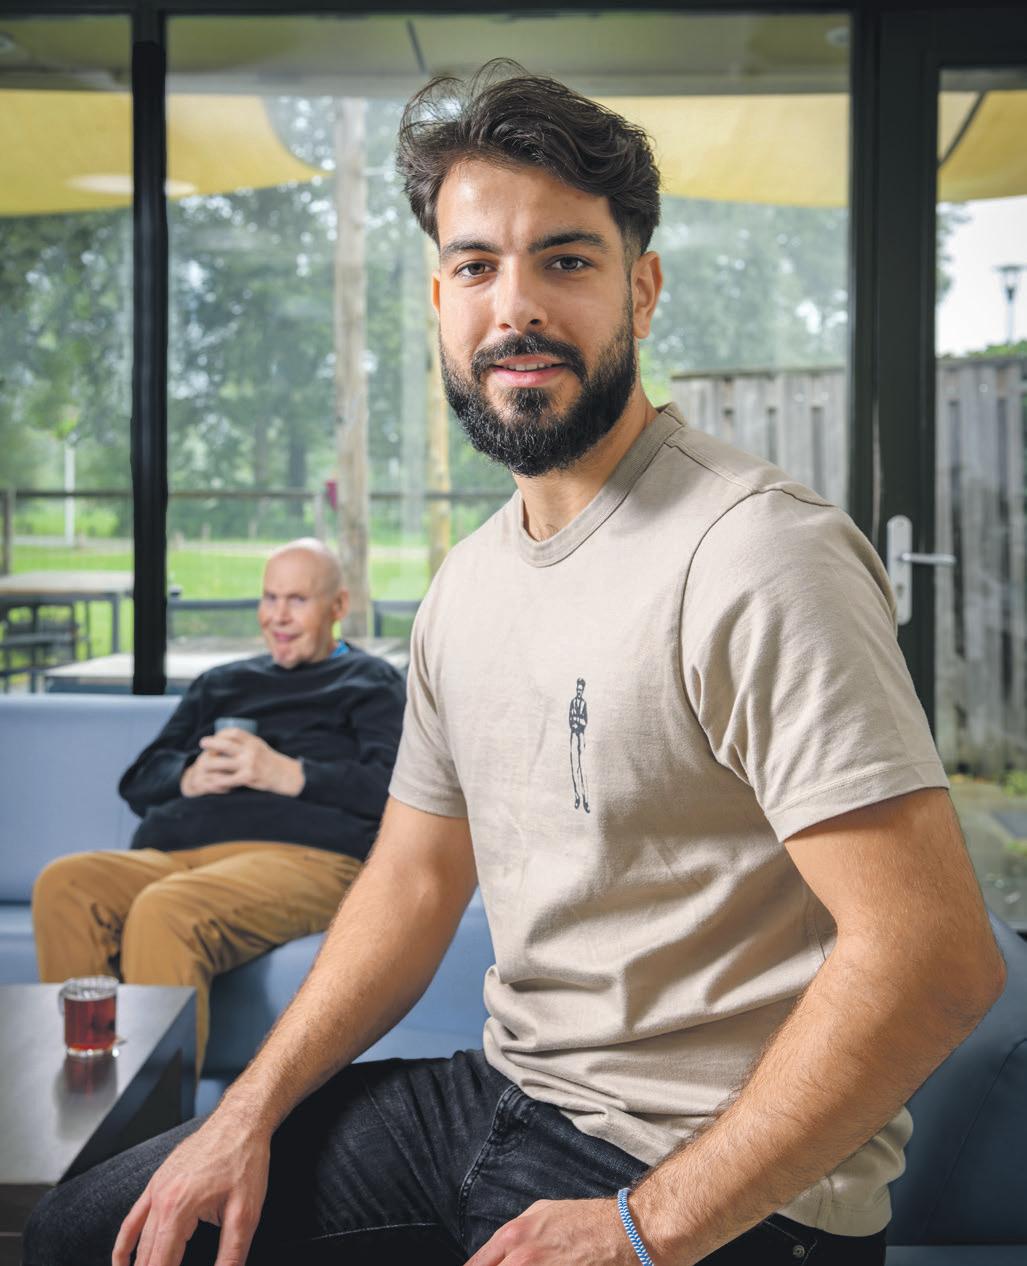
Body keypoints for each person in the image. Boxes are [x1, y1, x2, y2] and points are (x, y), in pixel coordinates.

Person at [24, 64, 1006, 1266]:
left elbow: (935, 957)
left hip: (721, 1185)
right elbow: (411, 884)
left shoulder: (756, 553)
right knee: (92, 1235)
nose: (517, 307)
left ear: (641, 287)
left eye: (566, 260)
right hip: (504, 1100)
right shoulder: (469, 584)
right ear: (441, 298)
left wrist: (646, 1227)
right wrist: (247, 1112)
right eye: (478, 266)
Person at [31, 537, 405, 1075]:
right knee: (65, 885)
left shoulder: (371, 683)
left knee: (167, 910)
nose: (277, 616)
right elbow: (138, 781)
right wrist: (188, 776)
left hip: (304, 859)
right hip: (179, 853)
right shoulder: (223, 682)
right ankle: (90, 1097)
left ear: (338, 606)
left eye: (297, 600)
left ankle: (154, 1121)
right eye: (269, 598)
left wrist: (288, 773)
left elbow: (394, 791)